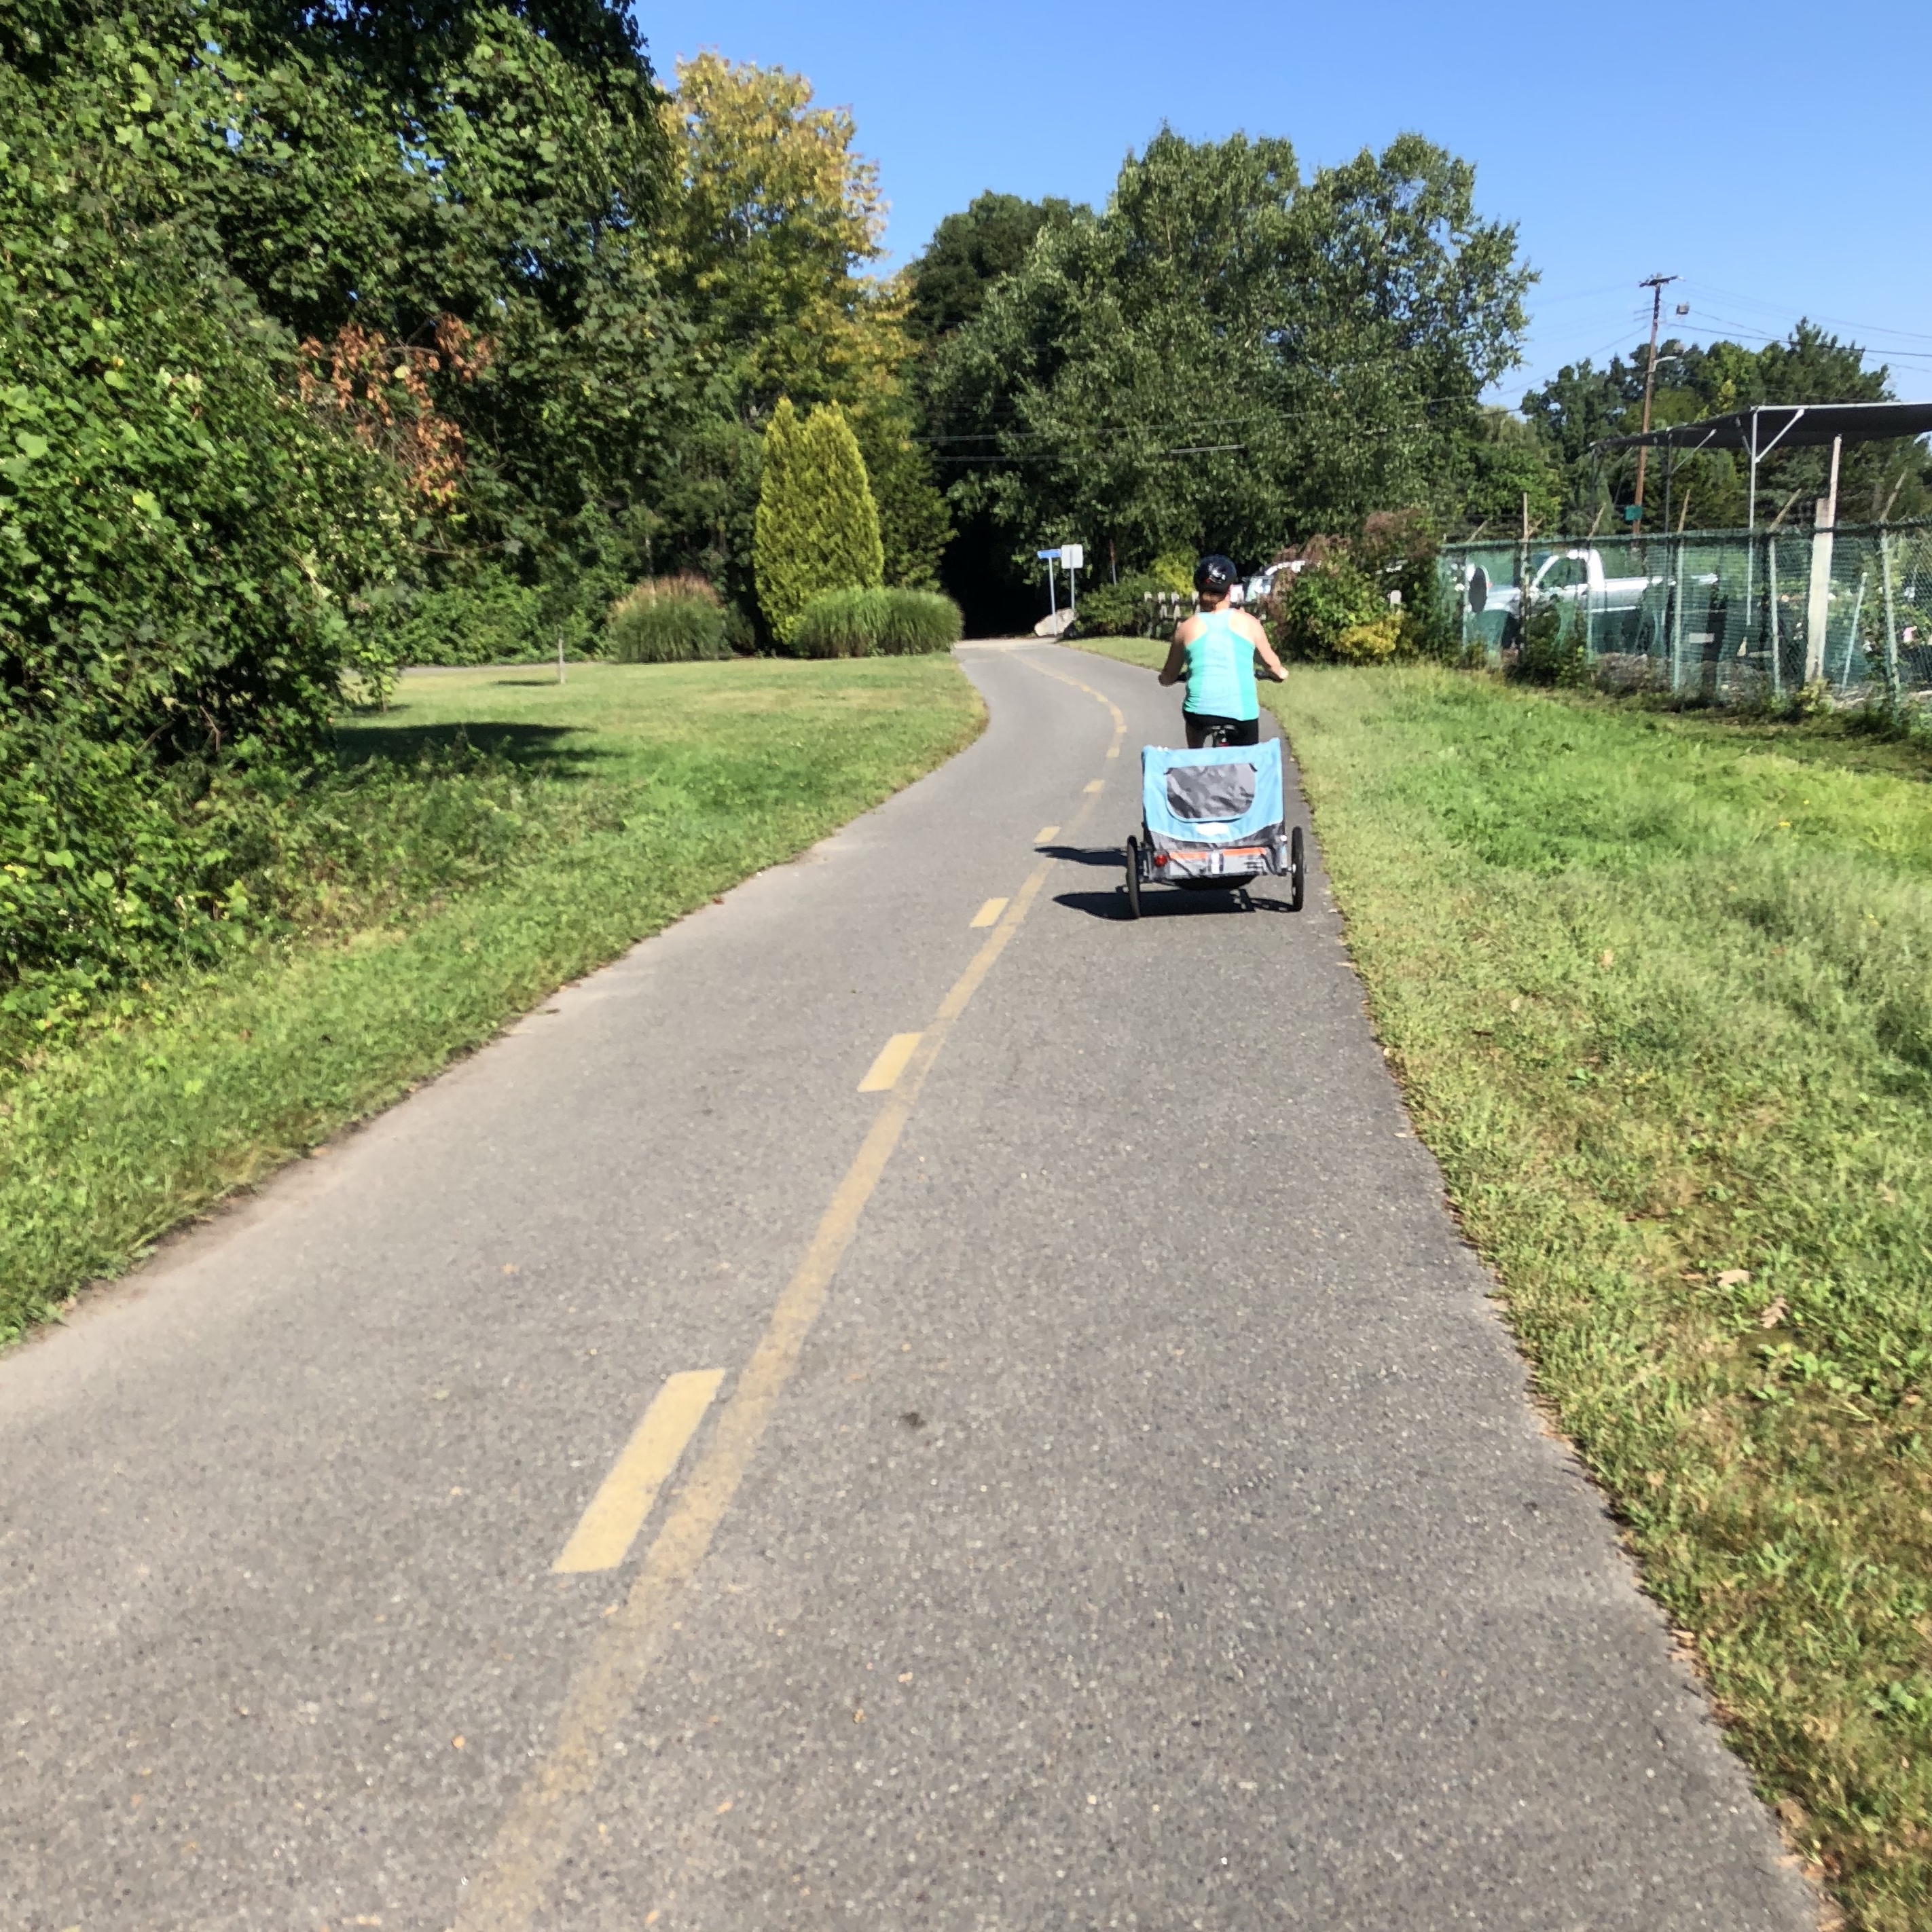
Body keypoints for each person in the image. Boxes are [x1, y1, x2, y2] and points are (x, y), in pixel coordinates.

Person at [1158, 554, 1286, 748]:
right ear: (1230, 591)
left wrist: (1167, 679)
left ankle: (1198, 761)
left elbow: (1168, 677)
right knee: (1246, 765)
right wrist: (1279, 674)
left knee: (1197, 751)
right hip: (1242, 716)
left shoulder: (1186, 629)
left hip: (1200, 716)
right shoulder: (1249, 624)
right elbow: (1273, 667)